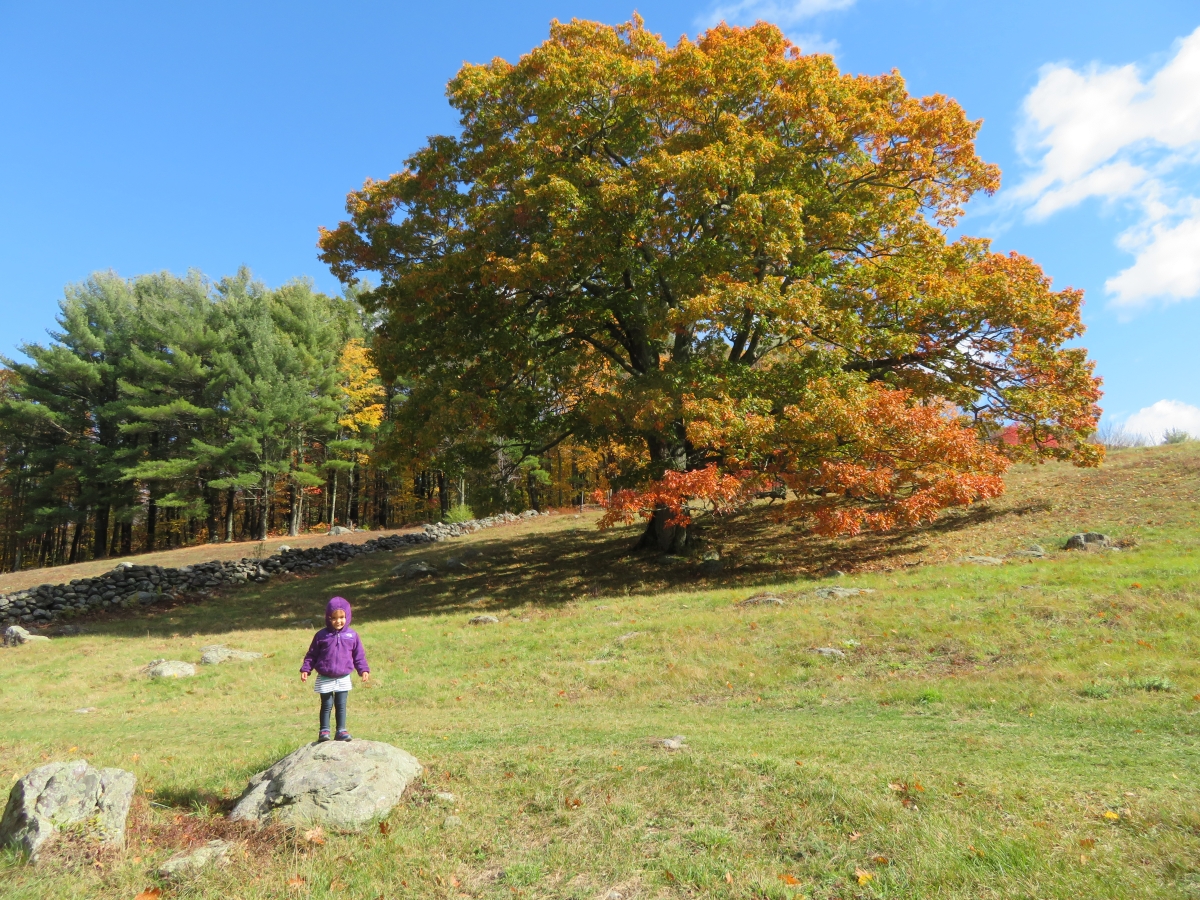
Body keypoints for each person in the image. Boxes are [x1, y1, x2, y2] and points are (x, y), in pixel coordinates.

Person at [300, 596, 370, 742]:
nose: (338, 621)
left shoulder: (352, 635)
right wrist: (306, 669)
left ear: (348, 616)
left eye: (342, 617)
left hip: (343, 677)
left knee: (341, 705)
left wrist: (363, 670)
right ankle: (324, 731)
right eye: (334, 618)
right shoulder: (321, 636)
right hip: (325, 677)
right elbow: (312, 654)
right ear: (328, 618)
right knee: (326, 704)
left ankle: (341, 731)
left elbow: (359, 655)